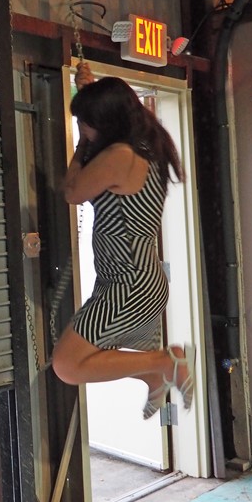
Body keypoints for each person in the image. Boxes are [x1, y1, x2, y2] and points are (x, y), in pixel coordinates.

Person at [52, 64, 195, 419]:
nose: (84, 128)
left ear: (106, 122)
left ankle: (165, 363)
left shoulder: (120, 156)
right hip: (136, 279)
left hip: (128, 284)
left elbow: (72, 191)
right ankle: (153, 374)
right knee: (97, 356)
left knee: (68, 364)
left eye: (86, 122)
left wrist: (82, 142)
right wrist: (89, 93)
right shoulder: (145, 149)